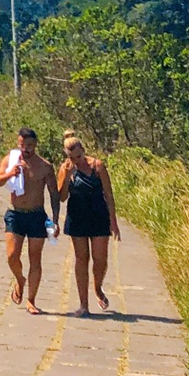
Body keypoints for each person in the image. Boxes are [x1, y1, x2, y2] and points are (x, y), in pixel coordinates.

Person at [0, 126, 59, 314]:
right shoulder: (10, 160)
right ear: (18, 143)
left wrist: (54, 220)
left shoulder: (45, 166)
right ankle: (20, 279)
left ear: (35, 144)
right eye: (22, 144)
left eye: (29, 145)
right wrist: (9, 174)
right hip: (15, 213)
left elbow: (54, 194)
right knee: (12, 255)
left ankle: (31, 300)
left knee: (35, 258)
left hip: (37, 215)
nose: (25, 149)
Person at [58, 131, 120, 316]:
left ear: (83, 150)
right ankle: (83, 305)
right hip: (77, 217)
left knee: (100, 259)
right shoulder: (66, 168)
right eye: (72, 157)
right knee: (81, 259)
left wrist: (113, 222)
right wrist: (68, 175)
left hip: (99, 216)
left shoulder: (97, 166)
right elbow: (61, 197)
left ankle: (98, 287)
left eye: (78, 156)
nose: (76, 160)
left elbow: (109, 195)